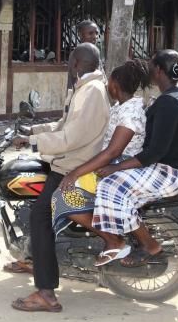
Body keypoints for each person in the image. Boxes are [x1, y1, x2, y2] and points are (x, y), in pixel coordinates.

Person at [8, 43, 110, 313]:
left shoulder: (91, 92)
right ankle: (36, 260)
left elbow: (70, 137)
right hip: (68, 160)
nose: (67, 65)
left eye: (69, 61)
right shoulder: (85, 87)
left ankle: (46, 292)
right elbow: (65, 125)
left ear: (76, 63)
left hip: (72, 167)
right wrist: (34, 130)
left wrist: (33, 143)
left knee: (40, 217)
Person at [89, 50, 178, 266]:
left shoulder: (170, 102)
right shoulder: (174, 96)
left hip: (174, 172)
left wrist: (116, 168)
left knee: (111, 186)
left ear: (158, 70)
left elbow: (153, 153)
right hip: (167, 166)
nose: (149, 71)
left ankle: (148, 244)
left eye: (151, 66)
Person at [50, 59, 149, 237]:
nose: (106, 84)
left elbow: (113, 151)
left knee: (63, 196)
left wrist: (75, 173)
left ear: (115, 85)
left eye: (109, 81)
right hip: (112, 161)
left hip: (119, 164)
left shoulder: (131, 112)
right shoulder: (121, 106)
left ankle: (113, 240)